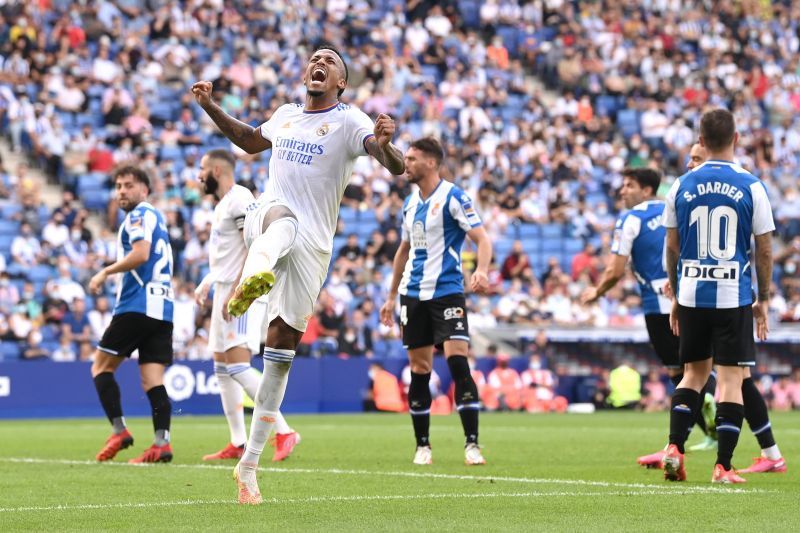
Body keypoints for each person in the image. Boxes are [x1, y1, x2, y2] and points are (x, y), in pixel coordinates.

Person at [192, 44, 404, 504]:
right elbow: (249, 140)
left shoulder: (350, 120)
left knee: (282, 346)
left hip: (314, 245)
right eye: (314, 59)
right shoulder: (286, 114)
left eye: (329, 62)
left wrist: (387, 147)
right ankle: (256, 274)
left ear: (341, 82)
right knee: (280, 219)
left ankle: (249, 466)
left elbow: (394, 163)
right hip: (268, 215)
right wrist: (211, 106)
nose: (319, 63)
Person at [660, 109, 776, 484]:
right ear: (737, 138)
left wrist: (676, 293)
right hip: (733, 294)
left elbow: (672, 246)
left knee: (692, 375)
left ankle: (674, 447)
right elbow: (764, 251)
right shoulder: (751, 185)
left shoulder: (681, 185)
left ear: (702, 140)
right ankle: (723, 466)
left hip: (692, 292)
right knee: (729, 381)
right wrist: (765, 299)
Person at [580, 167, 719, 465]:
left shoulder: (631, 218)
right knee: (695, 368)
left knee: (679, 374)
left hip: (659, 307)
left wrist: (596, 292)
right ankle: (709, 424)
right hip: (693, 297)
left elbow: (615, 270)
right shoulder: (678, 210)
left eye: (628, 185)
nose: (622, 191)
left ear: (646, 190)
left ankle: (697, 419)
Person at [380, 137, 492, 467]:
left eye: (412, 159)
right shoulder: (409, 203)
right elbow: (403, 250)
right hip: (412, 294)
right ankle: (422, 446)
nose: (407, 163)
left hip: (447, 291)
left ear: (431, 163)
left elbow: (482, 238)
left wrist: (482, 270)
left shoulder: (454, 197)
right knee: (420, 370)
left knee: (458, 362)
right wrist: (390, 295)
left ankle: (472, 444)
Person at [194, 149, 299, 463]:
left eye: (201, 170)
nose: (198, 176)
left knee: (238, 365)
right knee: (222, 366)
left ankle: (284, 430)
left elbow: (250, 246)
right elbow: (228, 254)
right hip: (224, 289)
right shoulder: (224, 203)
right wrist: (209, 282)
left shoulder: (240, 199)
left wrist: (238, 291)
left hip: (241, 292)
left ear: (216, 170)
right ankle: (238, 440)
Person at [87, 166, 175, 464]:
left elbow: (140, 254)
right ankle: (162, 443)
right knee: (152, 379)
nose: (121, 191)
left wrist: (104, 272)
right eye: (118, 186)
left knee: (101, 368)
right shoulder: (158, 218)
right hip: (162, 309)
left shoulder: (139, 215)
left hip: (136, 306)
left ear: (144, 190)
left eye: (128, 185)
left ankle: (119, 430)